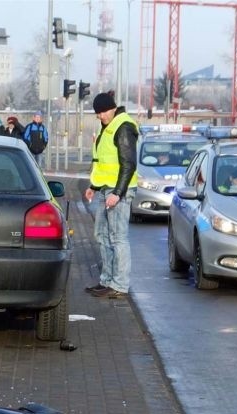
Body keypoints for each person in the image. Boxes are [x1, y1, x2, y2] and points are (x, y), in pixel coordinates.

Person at [83, 91, 139, 299]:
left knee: (118, 238)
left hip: (119, 192)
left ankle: (120, 284)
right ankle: (106, 280)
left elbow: (129, 164)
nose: (99, 116)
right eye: (97, 113)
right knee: (101, 235)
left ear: (112, 108)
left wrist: (118, 192)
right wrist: (94, 186)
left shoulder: (123, 127)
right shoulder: (107, 127)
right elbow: (104, 162)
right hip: (106, 189)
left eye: (102, 112)